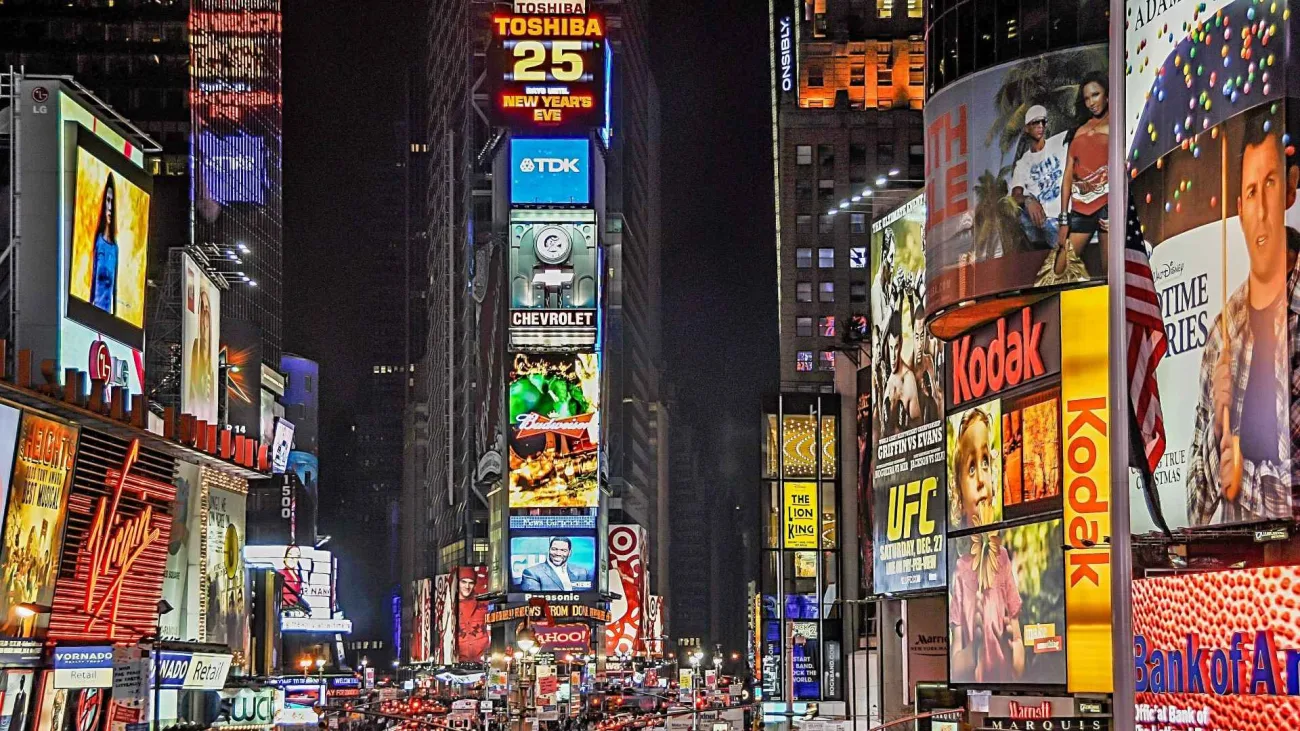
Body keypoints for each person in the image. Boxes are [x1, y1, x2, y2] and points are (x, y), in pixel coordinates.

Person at [1187, 105, 1296, 525]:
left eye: (1271, 183)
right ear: (1238, 208)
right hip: (1240, 582)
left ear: (1291, 189)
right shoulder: (1223, 332)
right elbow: (1194, 512)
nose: (1263, 209)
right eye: (1251, 192)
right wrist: (1218, 429)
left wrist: (1243, 476)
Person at [947, 409, 1025, 684]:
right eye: (971, 468)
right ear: (958, 489)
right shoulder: (959, 571)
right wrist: (975, 642)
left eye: (985, 463)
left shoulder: (1002, 559)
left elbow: (1018, 656)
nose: (981, 478)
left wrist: (1010, 642)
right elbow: (956, 667)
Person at [1054, 75, 1111, 277]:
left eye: (1095, 95)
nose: (1091, 102)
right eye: (1087, 98)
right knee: (1058, 270)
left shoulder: (1117, 124)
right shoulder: (1079, 130)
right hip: (1080, 208)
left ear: (1107, 94)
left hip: (1107, 205)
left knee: (1110, 274)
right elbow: (1067, 177)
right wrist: (1063, 220)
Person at [1010, 105, 1068, 249]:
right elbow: (1015, 196)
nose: (1040, 126)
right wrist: (1028, 200)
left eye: (1043, 122)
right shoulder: (1023, 163)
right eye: (1035, 122)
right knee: (1018, 213)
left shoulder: (1059, 141)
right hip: (1046, 222)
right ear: (1026, 128)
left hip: (1068, 214)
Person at [882, 310, 921, 436]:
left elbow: (918, 426)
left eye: (897, 347)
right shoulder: (887, 379)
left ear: (902, 344)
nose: (893, 356)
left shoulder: (908, 379)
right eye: (891, 347)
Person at [90, 176, 119, 314]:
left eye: (112, 202)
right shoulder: (98, 242)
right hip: (95, 311)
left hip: (107, 315)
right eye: (107, 201)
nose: (110, 207)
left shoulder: (115, 248)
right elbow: (93, 276)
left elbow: (115, 288)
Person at [519, 537, 593, 592]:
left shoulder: (582, 572)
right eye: (554, 549)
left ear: (569, 553)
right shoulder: (531, 573)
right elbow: (533, 602)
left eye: (563, 550)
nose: (558, 554)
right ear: (549, 550)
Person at [187, 286, 215, 418]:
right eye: (202, 310)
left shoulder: (212, 370)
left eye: (207, 311)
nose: (205, 317)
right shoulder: (193, 355)